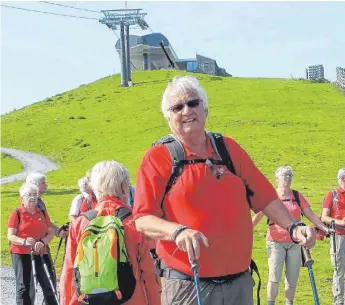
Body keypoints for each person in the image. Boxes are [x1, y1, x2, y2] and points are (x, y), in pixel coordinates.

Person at [132, 75, 316, 305]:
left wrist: (293, 226)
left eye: (193, 103)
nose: (187, 110)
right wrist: (177, 232)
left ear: (205, 108)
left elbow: (266, 197)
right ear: (168, 117)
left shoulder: (228, 149)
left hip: (239, 283)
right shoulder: (157, 157)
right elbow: (142, 218)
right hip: (189, 285)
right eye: (178, 107)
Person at [59, 160, 160, 305]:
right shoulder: (136, 222)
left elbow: (69, 271)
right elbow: (149, 273)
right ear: (124, 187)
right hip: (131, 299)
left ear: (94, 189)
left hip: (89, 300)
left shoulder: (81, 223)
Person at [252, 166, 329, 305]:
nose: (288, 177)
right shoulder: (271, 197)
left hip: (295, 243)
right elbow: (257, 217)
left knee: (292, 279)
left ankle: (289, 303)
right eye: (284, 175)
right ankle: (271, 303)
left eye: (290, 175)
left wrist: (325, 228)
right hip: (275, 242)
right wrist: (244, 231)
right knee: (274, 277)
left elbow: (310, 214)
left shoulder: (297, 196)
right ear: (277, 178)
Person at [7, 182, 58, 305]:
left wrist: (43, 242)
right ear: (22, 197)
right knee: (24, 286)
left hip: (41, 251)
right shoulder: (17, 213)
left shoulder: (42, 212)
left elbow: (50, 232)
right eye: (29, 195)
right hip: (21, 253)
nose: (33, 197)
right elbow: (10, 236)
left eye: (35, 194)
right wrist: (23, 241)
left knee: (49, 284)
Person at [321, 168, 345, 305]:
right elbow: (324, 217)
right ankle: (339, 301)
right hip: (339, 236)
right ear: (343, 179)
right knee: (339, 269)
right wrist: (340, 222)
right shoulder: (332, 195)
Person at [26, 173, 68, 238]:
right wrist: (58, 231)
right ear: (35, 185)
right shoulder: (33, 202)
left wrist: (58, 231)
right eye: (43, 183)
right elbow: (42, 221)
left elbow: (45, 220)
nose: (46, 185)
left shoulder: (39, 201)